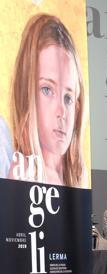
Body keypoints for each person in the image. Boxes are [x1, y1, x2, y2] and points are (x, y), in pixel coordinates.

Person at [8, 13, 87, 188]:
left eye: (68, 98)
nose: (61, 112)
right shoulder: (21, 175)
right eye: (46, 90)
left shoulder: (78, 175)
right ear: (27, 95)